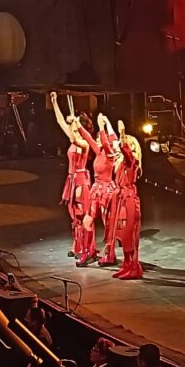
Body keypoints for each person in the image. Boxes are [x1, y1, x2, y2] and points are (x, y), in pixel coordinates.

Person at [51, 91, 95, 265]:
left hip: (81, 180)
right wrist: (55, 103)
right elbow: (60, 122)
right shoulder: (73, 140)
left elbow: (72, 135)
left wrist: (75, 124)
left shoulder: (84, 144)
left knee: (83, 215)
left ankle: (88, 248)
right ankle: (77, 244)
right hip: (72, 179)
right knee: (73, 216)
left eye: (77, 128)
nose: (73, 131)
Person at [86, 113, 119, 266]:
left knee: (108, 224)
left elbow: (108, 141)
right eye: (98, 137)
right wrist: (77, 125)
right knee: (88, 219)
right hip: (96, 189)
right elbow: (87, 137)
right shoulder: (98, 152)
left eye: (100, 137)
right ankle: (88, 251)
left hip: (107, 191)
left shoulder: (110, 153)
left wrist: (102, 125)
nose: (98, 139)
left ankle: (110, 254)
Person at [113, 122, 144, 279]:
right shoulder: (120, 163)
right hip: (122, 200)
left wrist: (123, 132)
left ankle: (134, 267)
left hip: (130, 200)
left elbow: (125, 151)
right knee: (122, 234)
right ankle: (126, 265)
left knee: (130, 235)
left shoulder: (132, 161)